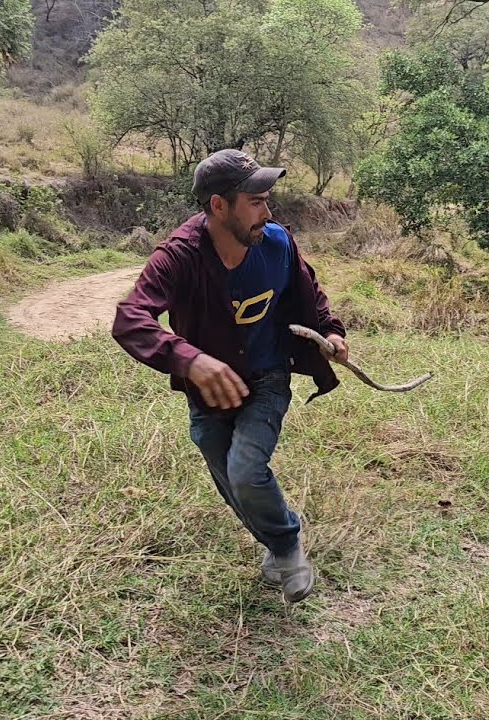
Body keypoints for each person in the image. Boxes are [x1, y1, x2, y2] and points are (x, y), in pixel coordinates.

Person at [111, 149, 349, 604]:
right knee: (231, 482)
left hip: (267, 377)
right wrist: (189, 359)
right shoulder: (179, 256)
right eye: (256, 202)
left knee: (245, 471)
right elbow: (130, 319)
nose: (268, 212)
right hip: (209, 391)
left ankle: (286, 544)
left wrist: (331, 332)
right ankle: (276, 543)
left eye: (267, 200)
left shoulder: (277, 243)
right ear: (219, 206)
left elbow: (308, 295)